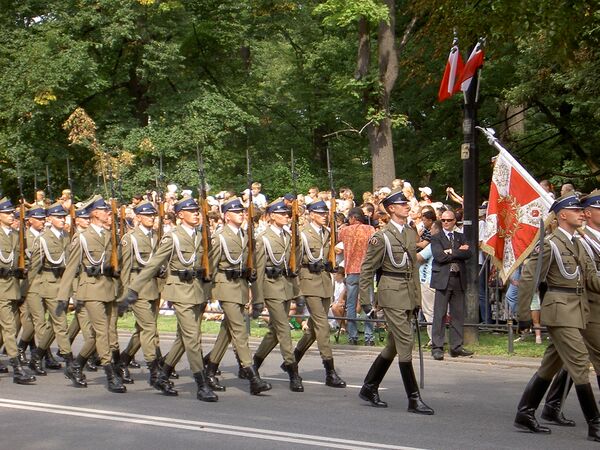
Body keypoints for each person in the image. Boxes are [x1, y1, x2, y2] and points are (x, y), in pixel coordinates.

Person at [514, 194, 600, 441]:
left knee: (550, 365)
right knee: (580, 363)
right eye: (576, 210)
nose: (581, 214)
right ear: (562, 215)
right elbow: (529, 279)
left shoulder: (578, 244)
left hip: (579, 310)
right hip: (559, 310)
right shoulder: (549, 244)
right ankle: (595, 424)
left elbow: (592, 280)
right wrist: (524, 315)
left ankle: (525, 412)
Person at [121, 197, 217, 402]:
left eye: (197, 211)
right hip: (180, 291)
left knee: (184, 339)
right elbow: (154, 264)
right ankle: (201, 385)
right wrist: (133, 289)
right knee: (192, 338)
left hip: (197, 291)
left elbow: (207, 265)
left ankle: (163, 375)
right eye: (191, 211)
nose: (196, 213)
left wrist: (209, 291)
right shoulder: (172, 237)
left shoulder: (201, 235)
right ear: (180, 215)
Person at [357, 188, 433, 414]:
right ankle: (413, 398)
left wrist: (417, 298)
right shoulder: (381, 237)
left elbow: (413, 267)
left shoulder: (409, 232)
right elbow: (367, 269)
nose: (407, 206)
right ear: (391, 209)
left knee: (393, 345)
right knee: (406, 342)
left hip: (408, 292)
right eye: (402, 204)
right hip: (391, 293)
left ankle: (369, 387)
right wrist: (366, 301)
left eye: (407, 203)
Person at [56, 195, 126, 393]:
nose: (108, 214)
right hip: (90, 289)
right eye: (104, 211)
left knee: (101, 334)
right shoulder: (83, 238)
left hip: (109, 289)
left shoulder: (110, 235)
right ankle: (110, 374)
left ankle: (76, 365)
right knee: (102, 332)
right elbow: (71, 269)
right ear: (94, 213)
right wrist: (63, 297)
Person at [206, 197, 272, 395]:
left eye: (242, 211)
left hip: (241, 287)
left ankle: (209, 371)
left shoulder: (246, 236)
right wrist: (206, 294)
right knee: (239, 330)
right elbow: (210, 267)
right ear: (227, 216)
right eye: (237, 212)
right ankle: (253, 377)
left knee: (227, 332)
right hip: (225, 287)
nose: (242, 214)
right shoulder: (219, 237)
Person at [25, 202, 86, 387]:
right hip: (46, 285)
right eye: (58, 217)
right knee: (60, 323)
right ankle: (69, 361)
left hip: (62, 284)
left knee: (53, 324)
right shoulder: (43, 239)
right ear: (50, 219)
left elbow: (71, 264)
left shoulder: (66, 236)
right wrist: (27, 290)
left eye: (63, 217)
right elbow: (34, 267)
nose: (62, 220)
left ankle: (36, 357)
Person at [291, 200, 346, 388]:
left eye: (325, 213)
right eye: (320, 213)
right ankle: (330, 371)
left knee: (314, 328)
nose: (324, 216)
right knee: (322, 324)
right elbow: (295, 260)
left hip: (324, 282)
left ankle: (292, 361)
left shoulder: (328, 233)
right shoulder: (302, 234)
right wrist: (296, 288)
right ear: (311, 214)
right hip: (309, 281)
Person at [251, 199, 304, 392]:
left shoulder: (288, 236)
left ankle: (254, 364)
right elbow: (257, 271)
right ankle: (293, 372)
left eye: (287, 214)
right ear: (272, 216)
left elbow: (293, 267)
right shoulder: (263, 238)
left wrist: (297, 292)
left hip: (286, 286)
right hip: (271, 287)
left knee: (274, 331)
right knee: (283, 329)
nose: (286, 217)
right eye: (282, 214)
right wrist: (257, 299)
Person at [117, 200, 162, 386]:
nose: (151, 218)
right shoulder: (130, 238)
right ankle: (154, 369)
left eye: (153, 215)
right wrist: (125, 294)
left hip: (153, 288)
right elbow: (125, 269)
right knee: (149, 328)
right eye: (147, 215)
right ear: (138, 217)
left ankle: (123, 361)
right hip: (137, 288)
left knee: (142, 330)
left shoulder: (155, 236)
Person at [0, 197, 37, 384]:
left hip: (13, 287)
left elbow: (23, 258)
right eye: (6, 213)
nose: (10, 215)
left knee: (7, 327)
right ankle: (17, 369)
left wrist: (23, 269)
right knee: (9, 327)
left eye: (11, 213)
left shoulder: (16, 235)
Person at [430, 210, 473, 360]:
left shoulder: (461, 236)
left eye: (449, 220)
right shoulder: (436, 237)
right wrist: (457, 252)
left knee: (458, 314)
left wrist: (450, 251)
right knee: (439, 314)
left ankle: (456, 347)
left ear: (455, 221)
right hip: (443, 279)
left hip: (458, 278)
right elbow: (439, 257)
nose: (446, 222)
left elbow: (469, 253)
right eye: (443, 220)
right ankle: (437, 347)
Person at [337, 207, 375, 345]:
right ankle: (369, 337)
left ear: (353, 217)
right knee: (368, 304)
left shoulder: (345, 231)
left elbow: (337, 239)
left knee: (351, 305)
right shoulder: (370, 229)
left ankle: (352, 336)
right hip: (366, 271)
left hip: (351, 270)